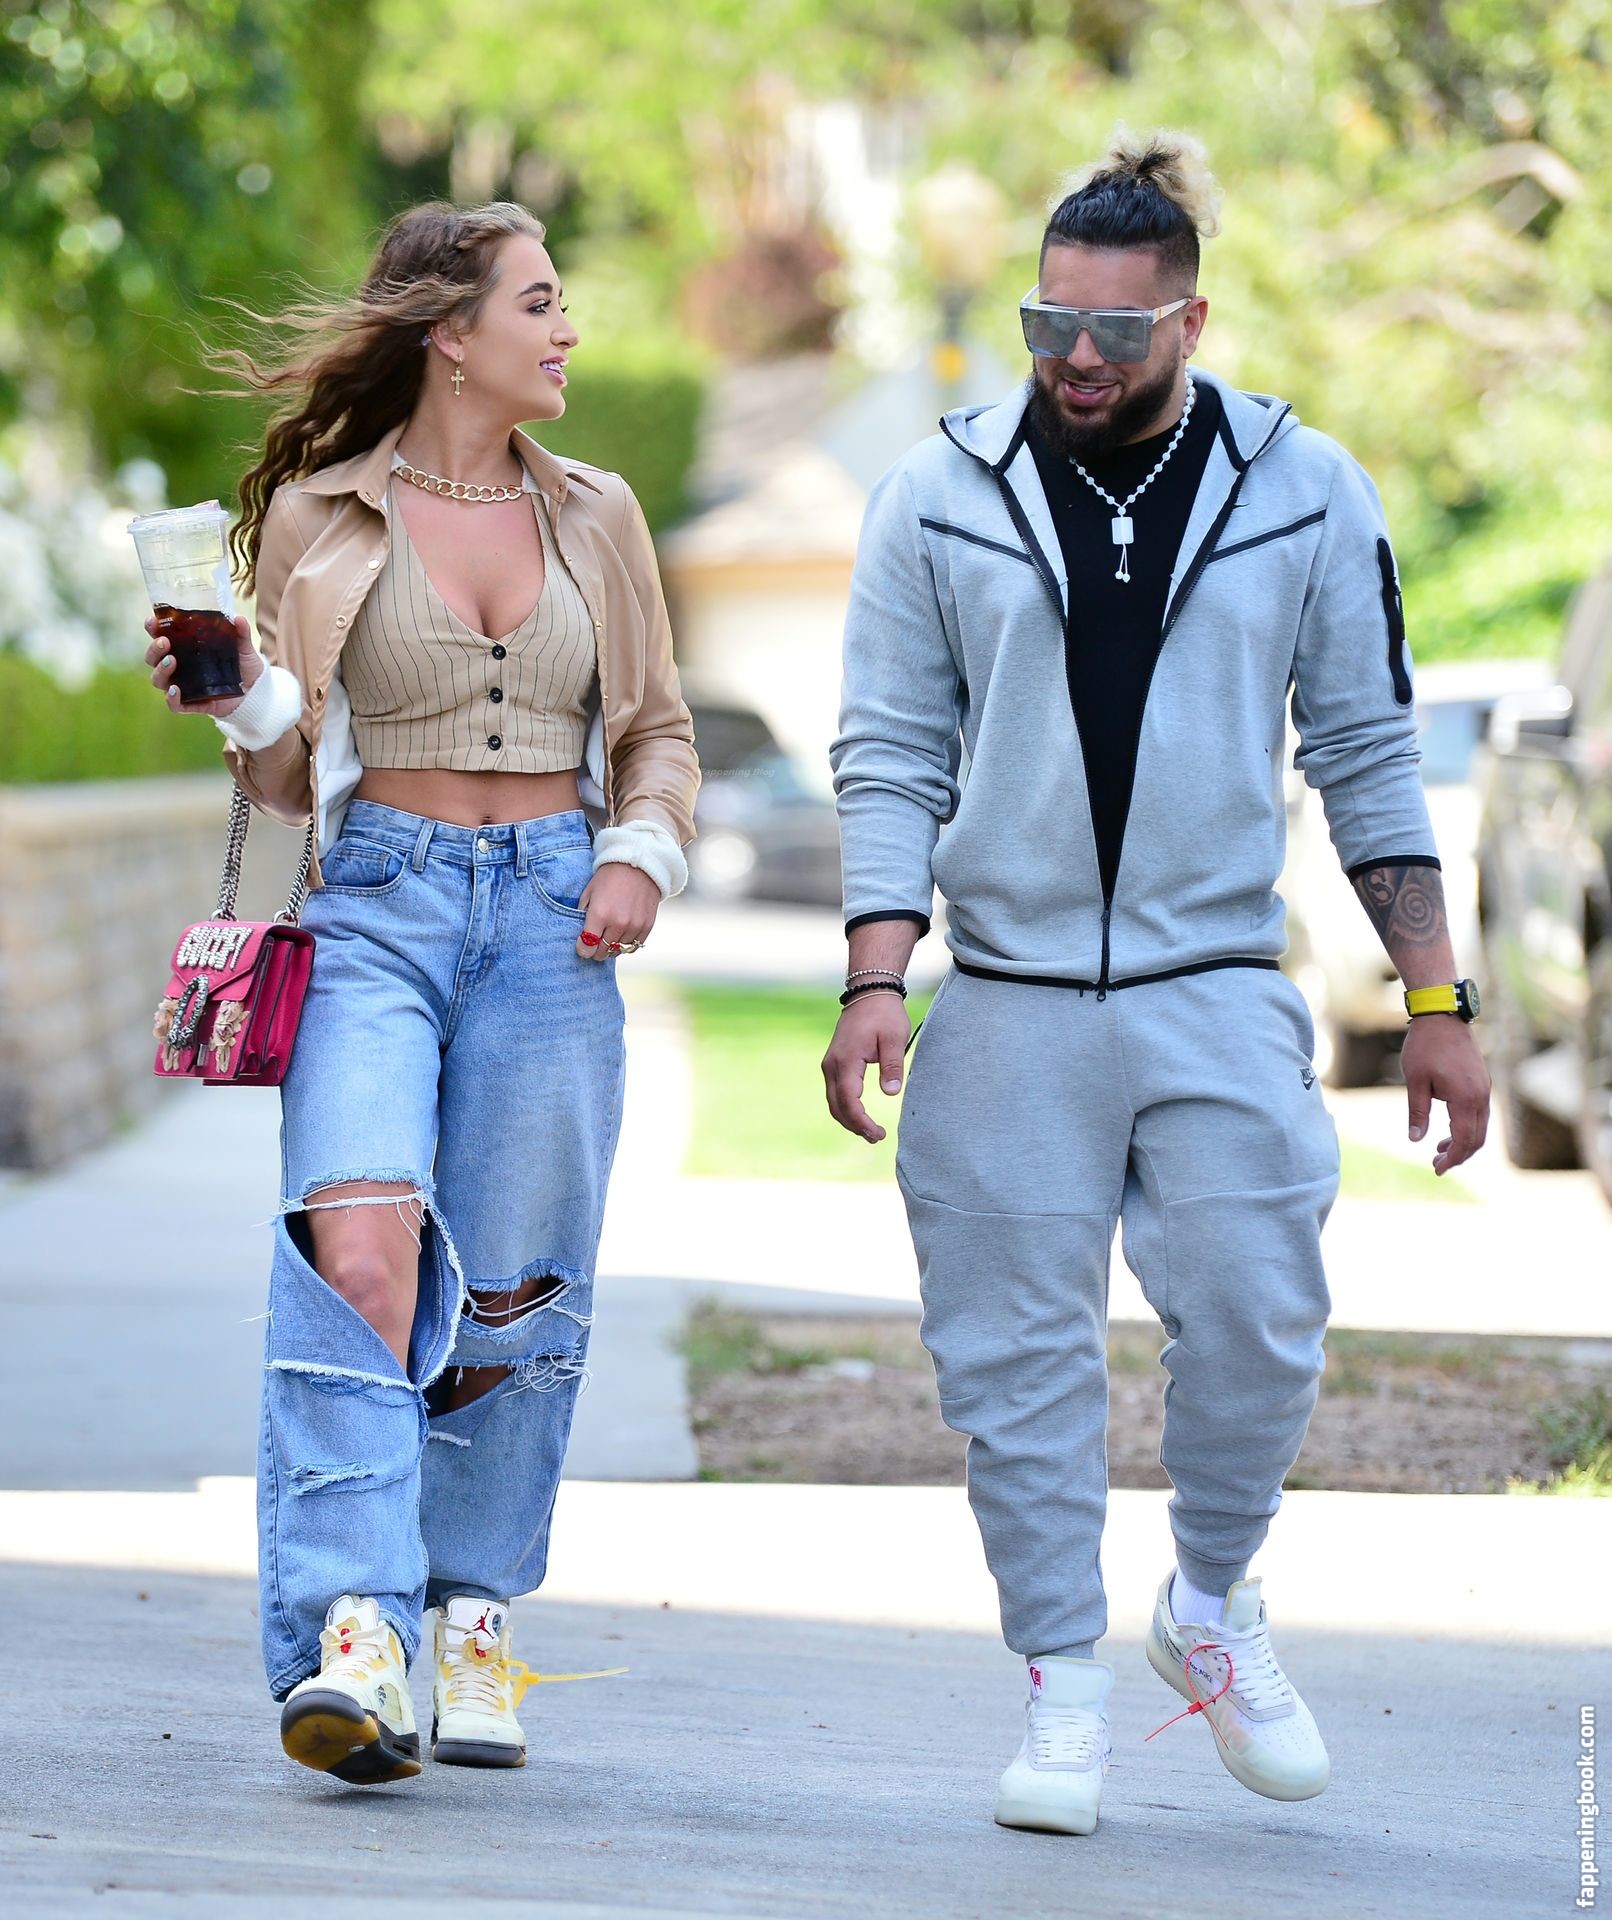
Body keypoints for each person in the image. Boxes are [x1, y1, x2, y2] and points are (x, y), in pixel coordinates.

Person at [822, 128, 1490, 1835]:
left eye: (1115, 333)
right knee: (1016, 1365)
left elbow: (1367, 752)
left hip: (1215, 979)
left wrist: (1436, 1003)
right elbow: (889, 748)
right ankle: (1063, 1685)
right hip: (1009, 995)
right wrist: (878, 968)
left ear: (1191, 321)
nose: (1078, 361)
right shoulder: (938, 493)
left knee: (1262, 1318)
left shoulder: (1305, 486)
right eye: (1050, 327)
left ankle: (1209, 1600)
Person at [144, 200, 700, 1783]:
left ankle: (469, 1615)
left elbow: (656, 732)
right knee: (361, 1247)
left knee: (514, 1290)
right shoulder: (321, 519)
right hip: (375, 909)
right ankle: (355, 1630)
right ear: (452, 333)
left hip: (552, 924)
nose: (567, 329)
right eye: (540, 302)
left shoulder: (599, 515)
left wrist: (640, 854)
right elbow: (287, 774)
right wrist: (230, 690)